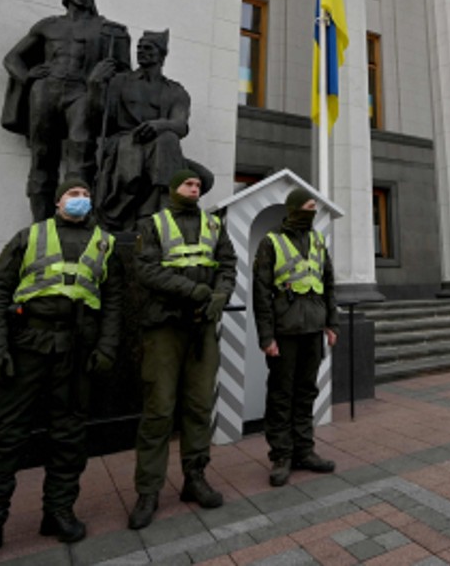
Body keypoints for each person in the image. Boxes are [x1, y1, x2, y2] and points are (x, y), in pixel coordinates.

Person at [0, 180, 122, 566]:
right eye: (72, 194)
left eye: (84, 194)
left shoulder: (104, 242)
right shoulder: (29, 237)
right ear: (58, 201)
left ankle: (58, 513)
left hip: (76, 354)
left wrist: (106, 348)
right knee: (3, 441)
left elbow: (112, 302)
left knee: (69, 438)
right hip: (27, 349)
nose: (80, 200)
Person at [129, 169, 237, 528]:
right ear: (174, 189)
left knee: (199, 406)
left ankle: (195, 478)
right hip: (164, 327)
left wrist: (220, 295)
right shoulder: (153, 224)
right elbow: (146, 271)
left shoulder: (214, 225)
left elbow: (228, 265)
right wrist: (192, 291)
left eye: (198, 186)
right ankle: (148, 491)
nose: (194, 189)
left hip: (202, 328)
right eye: (188, 185)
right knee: (159, 410)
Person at [2, 0, 130, 220]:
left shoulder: (105, 29)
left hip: (81, 91)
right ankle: (41, 223)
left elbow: (123, 71)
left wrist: (103, 80)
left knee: (81, 154)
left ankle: (75, 222)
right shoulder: (48, 25)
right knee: (42, 156)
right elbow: (11, 58)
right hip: (46, 89)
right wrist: (27, 76)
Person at [252, 187, 340, 487]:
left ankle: (305, 451)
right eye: (308, 206)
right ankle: (281, 456)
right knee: (281, 395)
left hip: (314, 330)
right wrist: (266, 337)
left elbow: (328, 283)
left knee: (306, 393)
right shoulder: (270, 242)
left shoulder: (317, 240)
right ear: (293, 209)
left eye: (314, 207)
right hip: (284, 332)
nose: (312, 212)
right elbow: (261, 294)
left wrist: (332, 323)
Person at [90, 29, 203, 232]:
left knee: (171, 142)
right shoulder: (120, 82)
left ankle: (153, 209)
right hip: (126, 142)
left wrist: (158, 125)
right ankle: (164, 209)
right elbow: (100, 119)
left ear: (162, 54)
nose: (141, 51)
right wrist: (95, 86)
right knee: (165, 142)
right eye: (139, 47)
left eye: (148, 48)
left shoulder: (175, 90)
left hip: (160, 149)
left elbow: (180, 125)